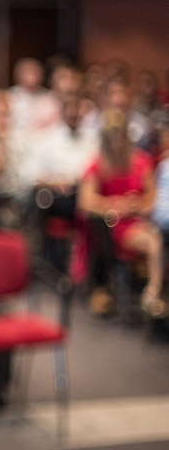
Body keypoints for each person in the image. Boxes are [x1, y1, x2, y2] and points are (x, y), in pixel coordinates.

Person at [77, 109, 165, 318]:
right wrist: (112, 205)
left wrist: (135, 205)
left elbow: (152, 198)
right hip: (112, 225)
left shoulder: (141, 162)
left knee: (156, 239)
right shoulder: (97, 165)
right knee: (153, 240)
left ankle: (152, 291)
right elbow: (85, 202)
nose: (116, 145)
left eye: (119, 139)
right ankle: (150, 293)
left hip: (137, 221)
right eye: (111, 140)